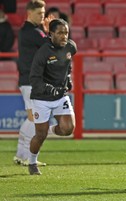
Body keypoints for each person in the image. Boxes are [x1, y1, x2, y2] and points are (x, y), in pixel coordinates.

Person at [28, 18, 76, 175]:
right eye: (60, 33)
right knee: (40, 136)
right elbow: (34, 79)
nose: (64, 36)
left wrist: (68, 78)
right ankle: (32, 162)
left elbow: (67, 65)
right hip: (41, 98)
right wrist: (49, 89)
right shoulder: (42, 53)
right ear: (51, 34)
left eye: (66, 33)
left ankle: (50, 129)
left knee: (68, 128)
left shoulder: (71, 47)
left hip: (61, 96)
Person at [14, 0, 53, 167]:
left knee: (33, 118)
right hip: (32, 81)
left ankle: (21, 154)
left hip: (29, 81)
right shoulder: (32, 32)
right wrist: (51, 30)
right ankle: (26, 156)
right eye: (39, 13)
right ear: (29, 13)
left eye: (43, 13)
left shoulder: (30, 31)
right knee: (36, 119)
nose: (42, 16)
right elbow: (52, 46)